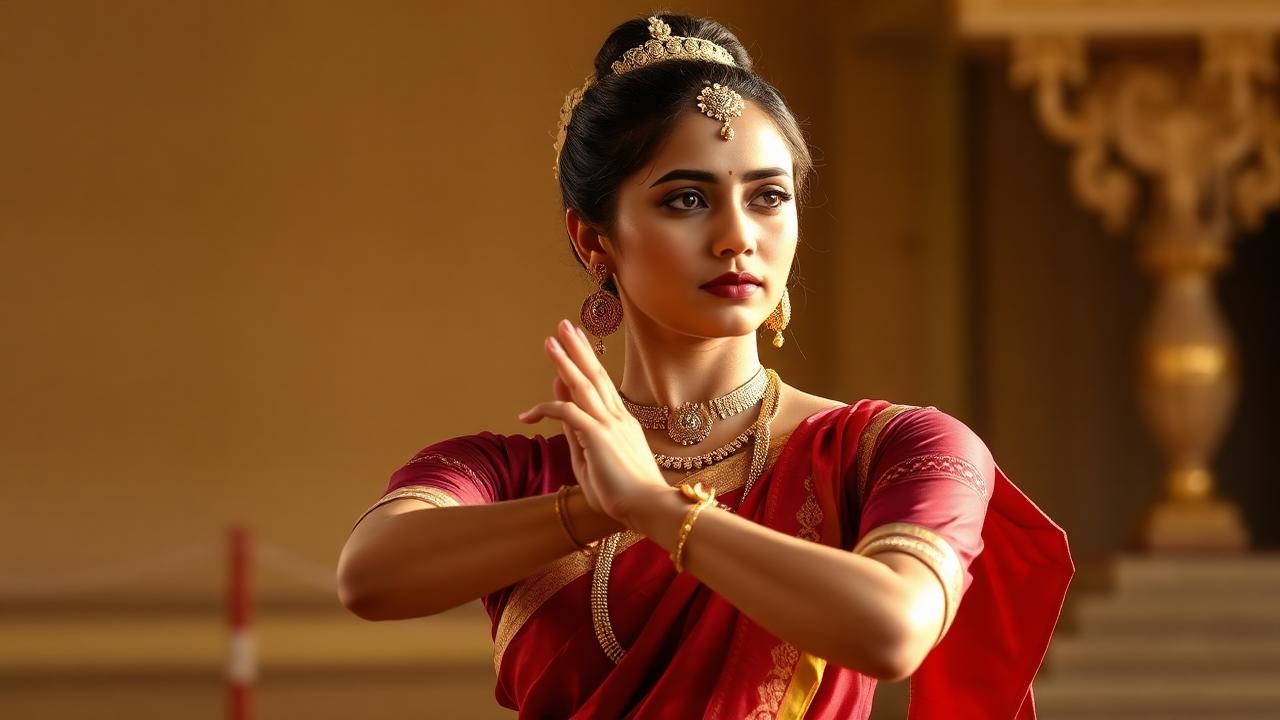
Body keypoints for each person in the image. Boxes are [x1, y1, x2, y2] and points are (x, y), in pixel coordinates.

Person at [337, 12, 1073, 720]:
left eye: (768, 197)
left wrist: (656, 508)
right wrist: (591, 506)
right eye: (687, 199)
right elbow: (368, 577)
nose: (736, 237)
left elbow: (893, 628)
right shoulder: (508, 477)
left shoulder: (896, 448)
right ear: (595, 241)